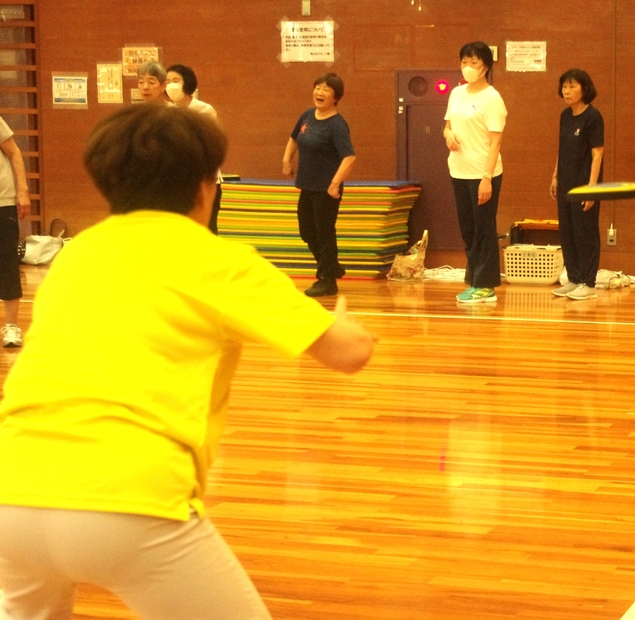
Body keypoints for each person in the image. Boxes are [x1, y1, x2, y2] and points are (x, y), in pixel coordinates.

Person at [0, 104, 376, 618]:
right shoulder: (220, 261)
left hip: (12, 492)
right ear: (206, 187)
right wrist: (349, 327)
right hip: (132, 498)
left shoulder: (77, 255)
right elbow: (349, 353)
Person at [444, 41, 507, 304]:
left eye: (474, 63)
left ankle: (486, 286)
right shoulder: (456, 93)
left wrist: (486, 178)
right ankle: (474, 280)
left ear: (485, 67)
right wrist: (447, 134)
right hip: (458, 171)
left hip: (483, 173)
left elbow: (496, 142)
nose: (468, 68)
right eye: (464, 62)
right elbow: (447, 125)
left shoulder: (492, 98)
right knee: (468, 230)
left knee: (484, 229)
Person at [282, 73, 356, 298]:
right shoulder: (307, 115)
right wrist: (286, 160)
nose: (319, 92)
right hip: (307, 186)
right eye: (317, 87)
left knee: (324, 234)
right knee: (307, 232)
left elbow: (349, 157)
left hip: (326, 190)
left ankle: (327, 280)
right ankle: (331, 267)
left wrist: (334, 184)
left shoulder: (337, 125)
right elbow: (294, 138)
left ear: (336, 97)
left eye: (326, 89)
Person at [550, 68, 604, 300]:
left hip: (585, 185)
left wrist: (592, 187)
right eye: (564, 86)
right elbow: (562, 150)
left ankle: (588, 283)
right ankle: (573, 279)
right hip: (565, 184)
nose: (567, 90)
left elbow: (597, 154)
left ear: (584, 89)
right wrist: (554, 176)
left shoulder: (593, 117)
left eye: (572, 86)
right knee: (568, 233)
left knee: (585, 232)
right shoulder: (564, 115)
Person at [166, 64, 224, 235]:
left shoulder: (204, 110)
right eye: (167, 81)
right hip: (177, 181)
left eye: (175, 80)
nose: (171, 85)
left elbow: (212, 145)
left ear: (187, 83)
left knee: (206, 229)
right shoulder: (167, 112)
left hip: (204, 180)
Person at [0, 116, 31, 348]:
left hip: (3, 201)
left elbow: (14, 152)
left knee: (7, 262)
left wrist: (22, 190)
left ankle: (11, 325)